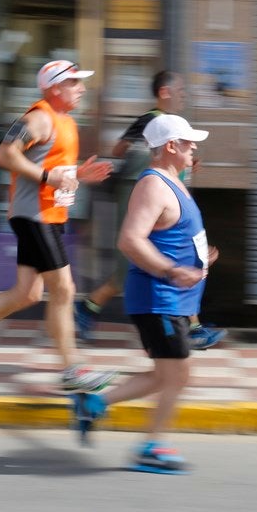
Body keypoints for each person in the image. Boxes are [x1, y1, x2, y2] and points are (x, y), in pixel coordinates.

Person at [0, 59, 116, 394]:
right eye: (75, 82)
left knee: (28, 293)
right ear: (54, 87)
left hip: (49, 215)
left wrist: (79, 175)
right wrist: (49, 177)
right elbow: (4, 155)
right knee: (64, 290)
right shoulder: (39, 117)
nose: (82, 88)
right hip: (35, 216)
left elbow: (52, 169)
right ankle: (71, 368)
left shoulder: (66, 122)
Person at [73, 114, 218, 474]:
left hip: (173, 299)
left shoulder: (175, 181)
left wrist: (199, 257)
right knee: (178, 376)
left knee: (165, 375)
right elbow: (129, 240)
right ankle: (151, 447)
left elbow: (175, 232)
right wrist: (172, 270)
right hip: (159, 298)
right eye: (187, 142)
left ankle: (94, 405)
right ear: (170, 146)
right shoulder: (153, 185)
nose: (194, 147)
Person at [74, 71, 226, 350]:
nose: (184, 95)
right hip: (150, 200)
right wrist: (146, 158)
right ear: (165, 92)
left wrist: (184, 166)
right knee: (133, 267)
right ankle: (89, 307)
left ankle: (192, 326)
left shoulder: (170, 124)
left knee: (184, 260)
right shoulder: (151, 121)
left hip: (174, 205)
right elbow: (119, 149)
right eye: (180, 90)